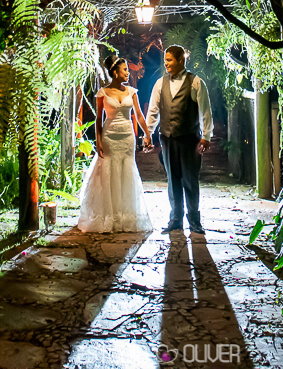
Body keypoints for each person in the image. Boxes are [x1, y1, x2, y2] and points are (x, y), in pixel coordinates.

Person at [76, 55, 154, 232]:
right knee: (109, 173)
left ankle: (126, 216)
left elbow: (139, 115)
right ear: (114, 72)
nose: (128, 72)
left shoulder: (131, 92)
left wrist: (147, 134)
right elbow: (99, 118)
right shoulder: (102, 93)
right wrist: (98, 140)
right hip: (109, 136)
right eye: (125, 69)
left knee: (126, 172)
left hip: (127, 137)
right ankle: (110, 217)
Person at [143, 45, 212, 235]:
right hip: (167, 138)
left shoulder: (196, 83)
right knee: (173, 180)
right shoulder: (160, 84)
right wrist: (148, 134)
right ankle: (175, 219)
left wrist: (206, 136)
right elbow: (153, 112)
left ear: (181, 60)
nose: (166, 64)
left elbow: (205, 111)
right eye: (165, 60)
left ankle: (195, 221)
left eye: (170, 60)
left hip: (190, 139)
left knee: (190, 180)